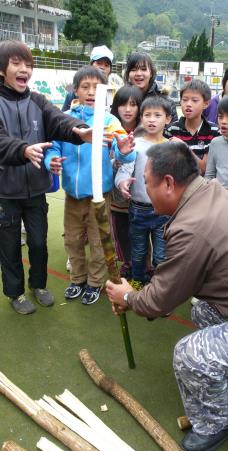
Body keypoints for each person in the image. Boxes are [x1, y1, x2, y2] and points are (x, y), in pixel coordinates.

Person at [106, 140, 228, 451]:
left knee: (190, 353)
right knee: (204, 311)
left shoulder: (193, 226)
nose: (144, 191)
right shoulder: (210, 191)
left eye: (146, 183)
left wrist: (128, 296)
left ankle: (219, 421)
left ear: (168, 183)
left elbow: (159, 301)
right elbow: (176, 286)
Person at [0, 40, 93, 315]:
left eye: (28, 65)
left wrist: (79, 130)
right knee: (9, 247)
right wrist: (23, 149)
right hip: (6, 192)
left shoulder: (37, 100)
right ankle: (15, 293)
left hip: (36, 190)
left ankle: (38, 285)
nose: (24, 70)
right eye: (16, 63)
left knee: (39, 242)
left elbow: (58, 119)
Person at [45, 66, 135, 305]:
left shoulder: (108, 119)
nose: (91, 91)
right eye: (85, 86)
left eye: (97, 87)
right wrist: (49, 159)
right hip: (72, 196)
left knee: (99, 242)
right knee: (72, 240)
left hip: (99, 196)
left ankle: (95, 283)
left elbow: (120, 147)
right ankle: (78, 279)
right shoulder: (65, 118)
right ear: (76, 90)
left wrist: (124, 151)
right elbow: (53, 145)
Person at [115, 96, 171, 289]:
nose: (152, 119)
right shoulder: (135, 144)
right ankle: (138, 281)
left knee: (161, 255)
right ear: (141, 118)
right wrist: (122, 183)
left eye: (157, 115)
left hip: (164, 212)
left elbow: (181, 180)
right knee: (138, 252)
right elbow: (125, 169)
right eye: (147, 115)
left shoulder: (173, 147)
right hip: (138, 209)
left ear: (168, 119)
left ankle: (159, 289)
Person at [110, 85, 144, 279]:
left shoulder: (145, 131)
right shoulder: (111, 131)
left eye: (133, 104)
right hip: (117, 197)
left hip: (139, 197)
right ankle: (127, 263)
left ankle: (142, 266)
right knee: (121, 232)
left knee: (140, 234)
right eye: (123, 104)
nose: (128, 109)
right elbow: (107, 163)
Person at [164, 79, 220, 174]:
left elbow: (204, 169)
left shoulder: (214, 131)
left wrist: (185, 148)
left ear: (206, 104)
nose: (188, 104)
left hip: (201, 186)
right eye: (185, 100)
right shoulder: (171, 130)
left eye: (194, 100)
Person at [124, 51, 177, 123]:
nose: (139, 74)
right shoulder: (121, 100)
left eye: (143, 69)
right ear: (128, 74)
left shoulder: (167, 102)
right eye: (133, 70)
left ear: (151, 73)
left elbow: (173, 131)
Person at [62, 45, 114, 112]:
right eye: (99, 63)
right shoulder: (72, 95)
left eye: (106, 65)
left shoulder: (112, 93)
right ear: (91, 64)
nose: (102, 67)